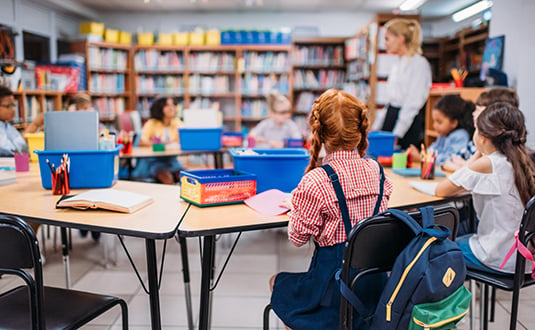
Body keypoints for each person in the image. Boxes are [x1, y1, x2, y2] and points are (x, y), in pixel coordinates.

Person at [269, 89, 393, 329]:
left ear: (320, 133)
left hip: (331, 295)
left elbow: (297, 238)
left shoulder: (316, 181)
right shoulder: (377, 172)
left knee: (277, 282)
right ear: (360, 130)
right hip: (374, 293)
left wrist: (296, 206)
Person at [435, 102, 535, 274]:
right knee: (464, 239)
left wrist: (479, 152)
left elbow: (441, 190)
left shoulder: (488, 163)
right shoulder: (522, 160)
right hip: (523, 259)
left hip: (497, 258)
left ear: (483, 137)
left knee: (435, 252)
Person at [381, 18, 432, 149]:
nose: (385, 43)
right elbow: (391, 100)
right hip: (391, 117)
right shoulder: (396, 63)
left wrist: (397, 134)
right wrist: (377, 126)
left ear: (400, 38)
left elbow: (413, 103)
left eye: (387, 38)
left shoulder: (419, 64)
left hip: (406, 124)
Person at [441, 88, 519, 172]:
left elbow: (466, 172)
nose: (473, 113)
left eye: (478, 110)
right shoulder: (475, 145)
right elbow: (450, 160)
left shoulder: (493, 150)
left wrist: (461, 166)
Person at [408, 94, 475, 166]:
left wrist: (422, 158)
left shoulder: (460, 135)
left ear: (454, 123)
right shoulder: (443, 135)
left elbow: (449, 159)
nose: (434, 126)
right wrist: (422, 154)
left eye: (439, 122)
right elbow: (431, 151)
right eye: (434, 121)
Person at [132, 96, 183, 184]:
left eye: (173, 105)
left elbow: (183, 140)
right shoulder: (152, 123)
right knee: (167, 178)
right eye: (167, 105)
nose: (172, 108)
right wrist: (159, 143)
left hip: (171, 160)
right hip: (154, 161)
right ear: (160, 108)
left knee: (186, 176)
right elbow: (141, 142)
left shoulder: (177, 122)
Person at [24, 92, 94, 134]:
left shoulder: (92, 124)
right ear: (73, 108)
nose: (90, 111)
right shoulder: (57, 123)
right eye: (85, 108)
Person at [0, 85, 28, 156]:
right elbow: (9, 149)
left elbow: (23, 147)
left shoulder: (7, 126)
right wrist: (34, 126)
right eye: (8, 106)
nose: (13, 110)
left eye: (13, 105)